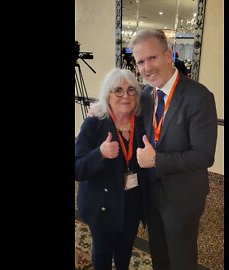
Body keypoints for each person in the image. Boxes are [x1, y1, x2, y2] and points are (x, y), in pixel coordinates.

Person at [132, 29, 217, 270]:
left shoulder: (199, 96)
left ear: (168, 56)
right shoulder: (147, 94)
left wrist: (157, 160)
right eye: (140, 61)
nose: (147, 67)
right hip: (152, 192)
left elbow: (204, 155)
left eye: (152, 58)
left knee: (181, 257)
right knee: (158, 252)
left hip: (182, 196)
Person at [75, 68, 149, 270]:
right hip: (102, 203)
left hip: (132, 202)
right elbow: (77, 168)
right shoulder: (94, 123)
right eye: (118, 90)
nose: (125, 95)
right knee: (103, 252)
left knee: (125, 250)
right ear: (107, 94)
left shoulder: (142, 122)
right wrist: (99, 153)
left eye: (131, 90)